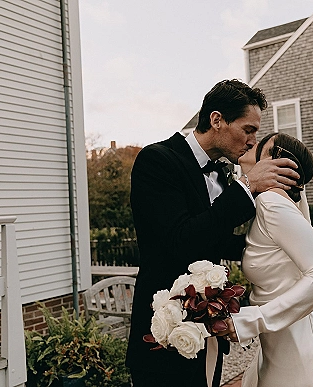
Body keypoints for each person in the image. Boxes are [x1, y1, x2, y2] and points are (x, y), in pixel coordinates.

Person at [126, 80, 299, 387]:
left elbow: (213, 239)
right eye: (248, 130)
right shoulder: (157, 161)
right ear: (217, 120)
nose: (252, 141)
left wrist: (277, 249)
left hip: (208, 329)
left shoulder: (220, 172)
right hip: (162, 329)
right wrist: (246, 188)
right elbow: (181, 240)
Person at [227, 133, 313, 386]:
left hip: (301, 350)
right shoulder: (268, 203)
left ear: (278, 163)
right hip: (279, 346)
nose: (251, 143)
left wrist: (249, 321)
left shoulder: (271, 203)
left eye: (261, 144)